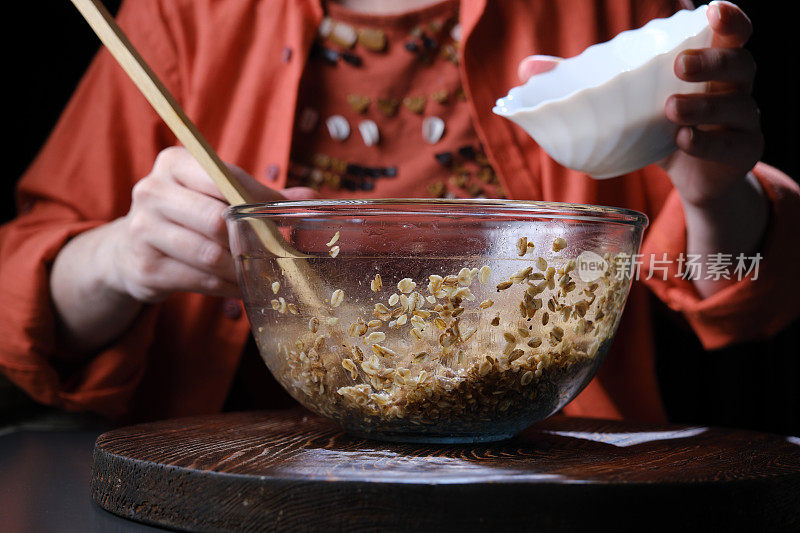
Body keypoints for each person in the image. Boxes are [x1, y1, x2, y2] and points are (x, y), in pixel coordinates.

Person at [0, 0, 797, 423]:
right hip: (231, 477)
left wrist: (714, 191)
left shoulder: (608, 12)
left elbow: (744, 292)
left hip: (545, 470)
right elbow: (19, 304)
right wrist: (120, 257)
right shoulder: (183, 17)